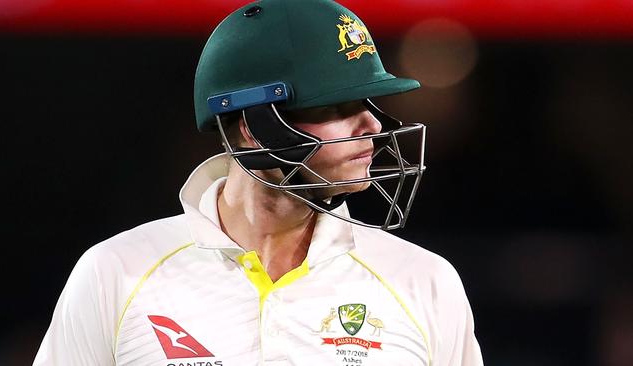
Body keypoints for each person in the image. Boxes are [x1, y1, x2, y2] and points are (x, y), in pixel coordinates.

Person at [34, 0, 483, 365]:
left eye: (366, 101)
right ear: (253, 126)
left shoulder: (424, 282)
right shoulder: (115, 272)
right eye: (334, 107)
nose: (371, 124)